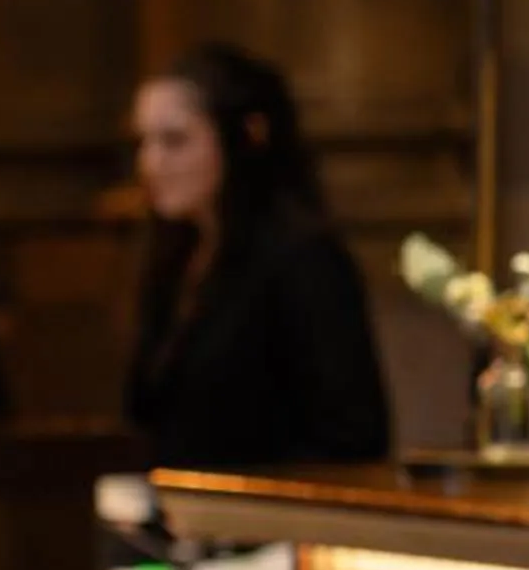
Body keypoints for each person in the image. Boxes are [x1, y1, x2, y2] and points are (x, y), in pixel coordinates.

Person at [125, 42, 391, 470]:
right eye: (143, 141)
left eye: (174, 141)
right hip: (186, 517)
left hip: (266, 522)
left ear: (242, 138)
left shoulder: (303, 259)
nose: (150, 163)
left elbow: (352, 436)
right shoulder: (176, 257)